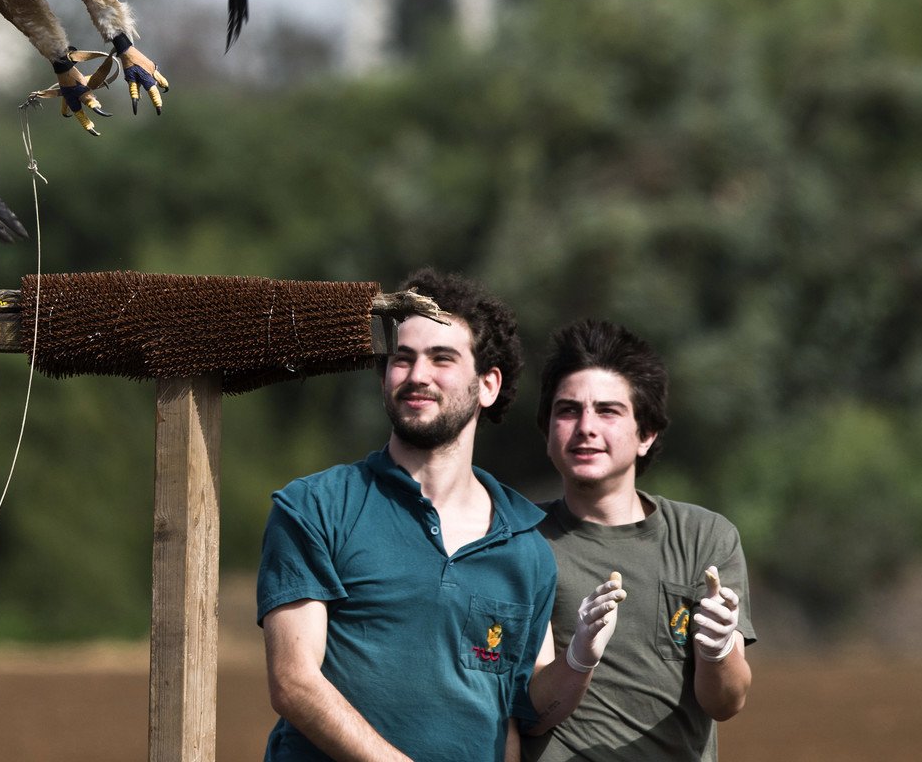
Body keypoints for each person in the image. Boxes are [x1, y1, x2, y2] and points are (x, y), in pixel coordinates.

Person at [257, 270, 623, 761]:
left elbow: (518, 715)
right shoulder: (317, 507)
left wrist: (579, 659)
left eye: (441, 358)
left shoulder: (526, 545)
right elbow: (294, 683)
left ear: (488, 385)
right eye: (401, 359)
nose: (417, 376)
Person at [523, 319, 755, 762]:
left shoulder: (705, 537)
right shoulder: (519, 541)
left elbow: (726, 703)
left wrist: (718, 649)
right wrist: (577, 658)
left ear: (646, 434)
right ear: (547, 430)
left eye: (608, 411)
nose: (585, 427)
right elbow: (528, 716)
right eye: (568, 410)